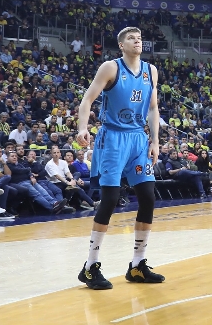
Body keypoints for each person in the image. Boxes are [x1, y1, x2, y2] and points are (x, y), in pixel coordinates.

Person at [76, 27, 165, 290]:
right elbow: (87, 99)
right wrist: (83, 127)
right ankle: (90, 266)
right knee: (111, 199)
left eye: (140, 38)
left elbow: (153, 107)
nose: (138, 41)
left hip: (138, 138)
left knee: (148, 197)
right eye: (131, 38)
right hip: (113, 138)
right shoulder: (110, 68)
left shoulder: (151, 71)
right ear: (121, 45)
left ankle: (137, 264)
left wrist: (155, 140)